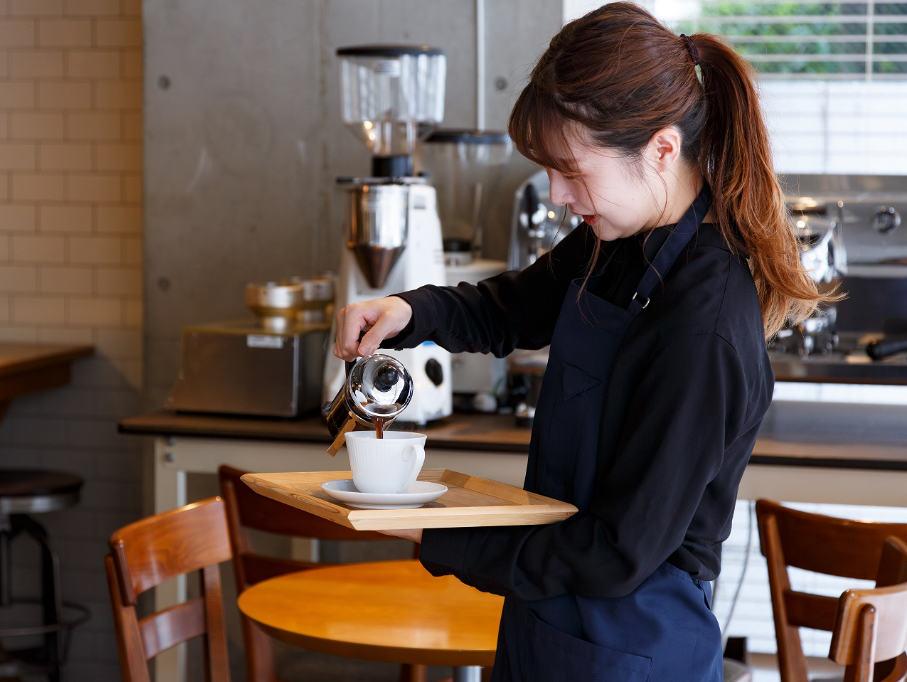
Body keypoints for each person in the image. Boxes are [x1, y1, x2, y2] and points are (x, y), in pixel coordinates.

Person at [333, 3, 826, 680]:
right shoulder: (616, 241)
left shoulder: (703, 324)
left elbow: (614, 552)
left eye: (572, 169)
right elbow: (511, 309)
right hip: (545, 627)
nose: (560, 194)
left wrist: (431, 529)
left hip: (635, 648)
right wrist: (406, 311)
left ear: (660, 148)